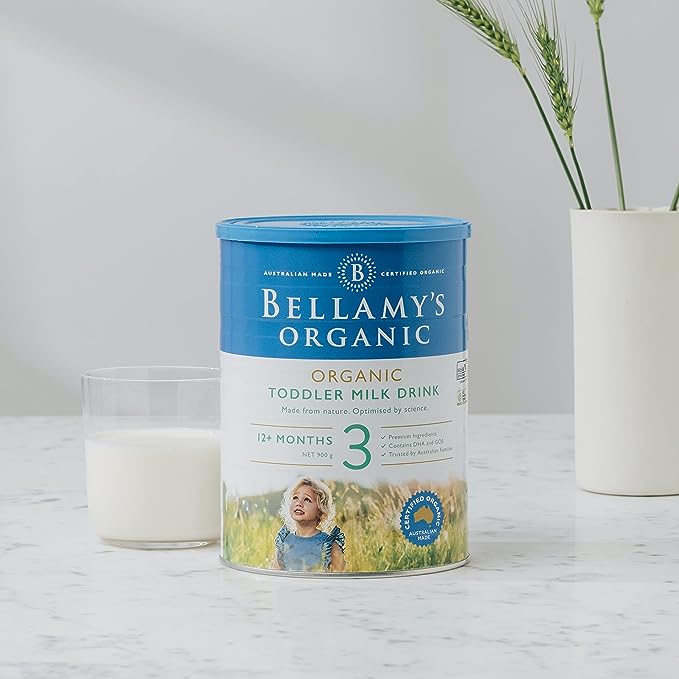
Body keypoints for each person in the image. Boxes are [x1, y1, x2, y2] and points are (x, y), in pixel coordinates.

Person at [271, 477, 346, 572]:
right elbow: (275, 574)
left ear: (320, 510)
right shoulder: (284, 542)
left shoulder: (328, 545)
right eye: (295, 498)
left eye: (307, 499)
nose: (299, 503)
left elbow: (341, 575)